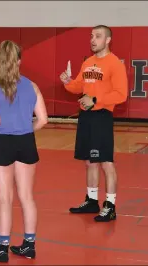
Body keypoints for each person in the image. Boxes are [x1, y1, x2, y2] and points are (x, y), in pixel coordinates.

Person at [0, 40, 48, 262]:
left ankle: (2, 249)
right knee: (27, 196)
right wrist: (26, 129)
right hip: (26, 141)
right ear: (19, 61)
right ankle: (29, 245)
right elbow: (43, 120)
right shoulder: (33, 86)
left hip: (2, 141)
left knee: (5, 199)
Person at [59, 25, 128, 222]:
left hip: (101, 116)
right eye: (91, 36)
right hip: (86, 116)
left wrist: (96, 100)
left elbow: (120, 94)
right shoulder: (88, 62)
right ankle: (91, 201)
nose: (93, 39)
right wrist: (67, 81)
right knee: (90, 161)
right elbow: (79, 86)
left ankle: (110, 205)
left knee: (106, 162)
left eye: (98, 36)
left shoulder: (114, 63)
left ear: (107, 40)